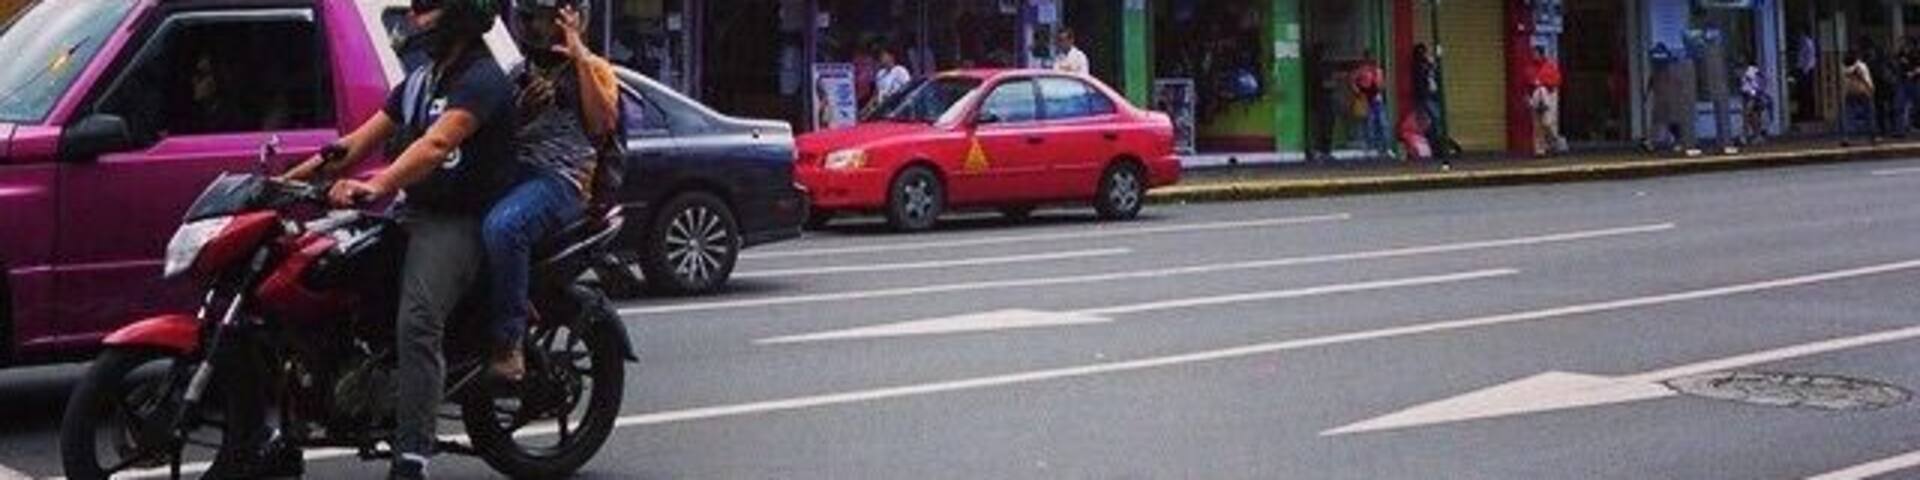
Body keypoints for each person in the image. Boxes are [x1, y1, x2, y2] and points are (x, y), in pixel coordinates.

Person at [280, 0, 516, 477]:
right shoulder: (420, 81)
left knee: (418, 324)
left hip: (458, 222)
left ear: (459, 15)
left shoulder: (482, 80)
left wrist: (378, 185)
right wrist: (283, 186)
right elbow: (352, 145)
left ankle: (412, 455)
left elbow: (437, 144)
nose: (415, 19)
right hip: (413, 212)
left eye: (427, 10)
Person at [480, 0, 620, 382]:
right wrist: (521, 111)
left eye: (543, 18)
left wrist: (578, 54)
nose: (533, 26)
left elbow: (601, 124)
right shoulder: (514, 69)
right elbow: (492, 130)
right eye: (528, 17)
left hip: (562, 180)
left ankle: (508, 344)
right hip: (510, 172)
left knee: (505, 228)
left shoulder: (594, 68)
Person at [1528, 47, 1566, 157]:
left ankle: (1554, 144)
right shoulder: (1530, 68)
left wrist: (1543, 82)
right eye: (1533, 53)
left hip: (1548, 95)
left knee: (1547, 123)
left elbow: (1557, 80)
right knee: (1537, 125)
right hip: (1535, 96)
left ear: (1541, 54)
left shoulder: (1549, 66)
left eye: (1536, 53)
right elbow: (1526, 83)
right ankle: (1540, 150)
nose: (1534, 55)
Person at [1352, 50, 1389, 160]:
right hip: (1366, 98)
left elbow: (1382, 85)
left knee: (1382, 123)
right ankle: (1371, 147)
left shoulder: (1378, 71)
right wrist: (1358, 92)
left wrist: (1380, 87)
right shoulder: (1361, 70)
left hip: (1377, 98)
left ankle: (1383, 148)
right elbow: (1352, 80)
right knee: (1369, 123)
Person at [1842, 51, 1877, 146]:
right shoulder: (1861, 66)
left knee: (1848, 116)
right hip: (1863, 92)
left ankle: (1847, 137)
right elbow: (1865, 78)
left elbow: (1846, 81)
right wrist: (1870, 88)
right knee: (1869, 113)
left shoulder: (1845, 67)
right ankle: (1872, 136)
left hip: (1850, 93)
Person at [1411, 43, 1443, 140]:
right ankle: (1434, 140)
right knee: (1434, 117)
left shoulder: (1427, 64)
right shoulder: (1418, 66)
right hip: (1426, 96)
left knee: (1436, 118)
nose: (1425, 54)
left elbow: (1434, 70)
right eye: (1423, 52)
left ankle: (1436, 139)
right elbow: (1424, 75)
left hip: (1433, 95)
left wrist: (1436, 58)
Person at [1738, 57, 1769, 145]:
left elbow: (1756, 85)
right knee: (1752, 117)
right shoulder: (1748, 72)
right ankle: (1756, 136)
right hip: (1749, 96)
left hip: (1752, 97)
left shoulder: (1751, 71)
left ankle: (1746, 136)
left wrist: (1753, 96)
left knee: (1749, 116)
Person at [872, 45, 912, 111]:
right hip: (882, 108)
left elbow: (908, 90)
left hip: (897, 108)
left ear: (891, 57)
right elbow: (877, 93)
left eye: (884, 56)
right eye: (881, 56)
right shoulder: (880, 73)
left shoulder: (900, 71)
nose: (881, 58)